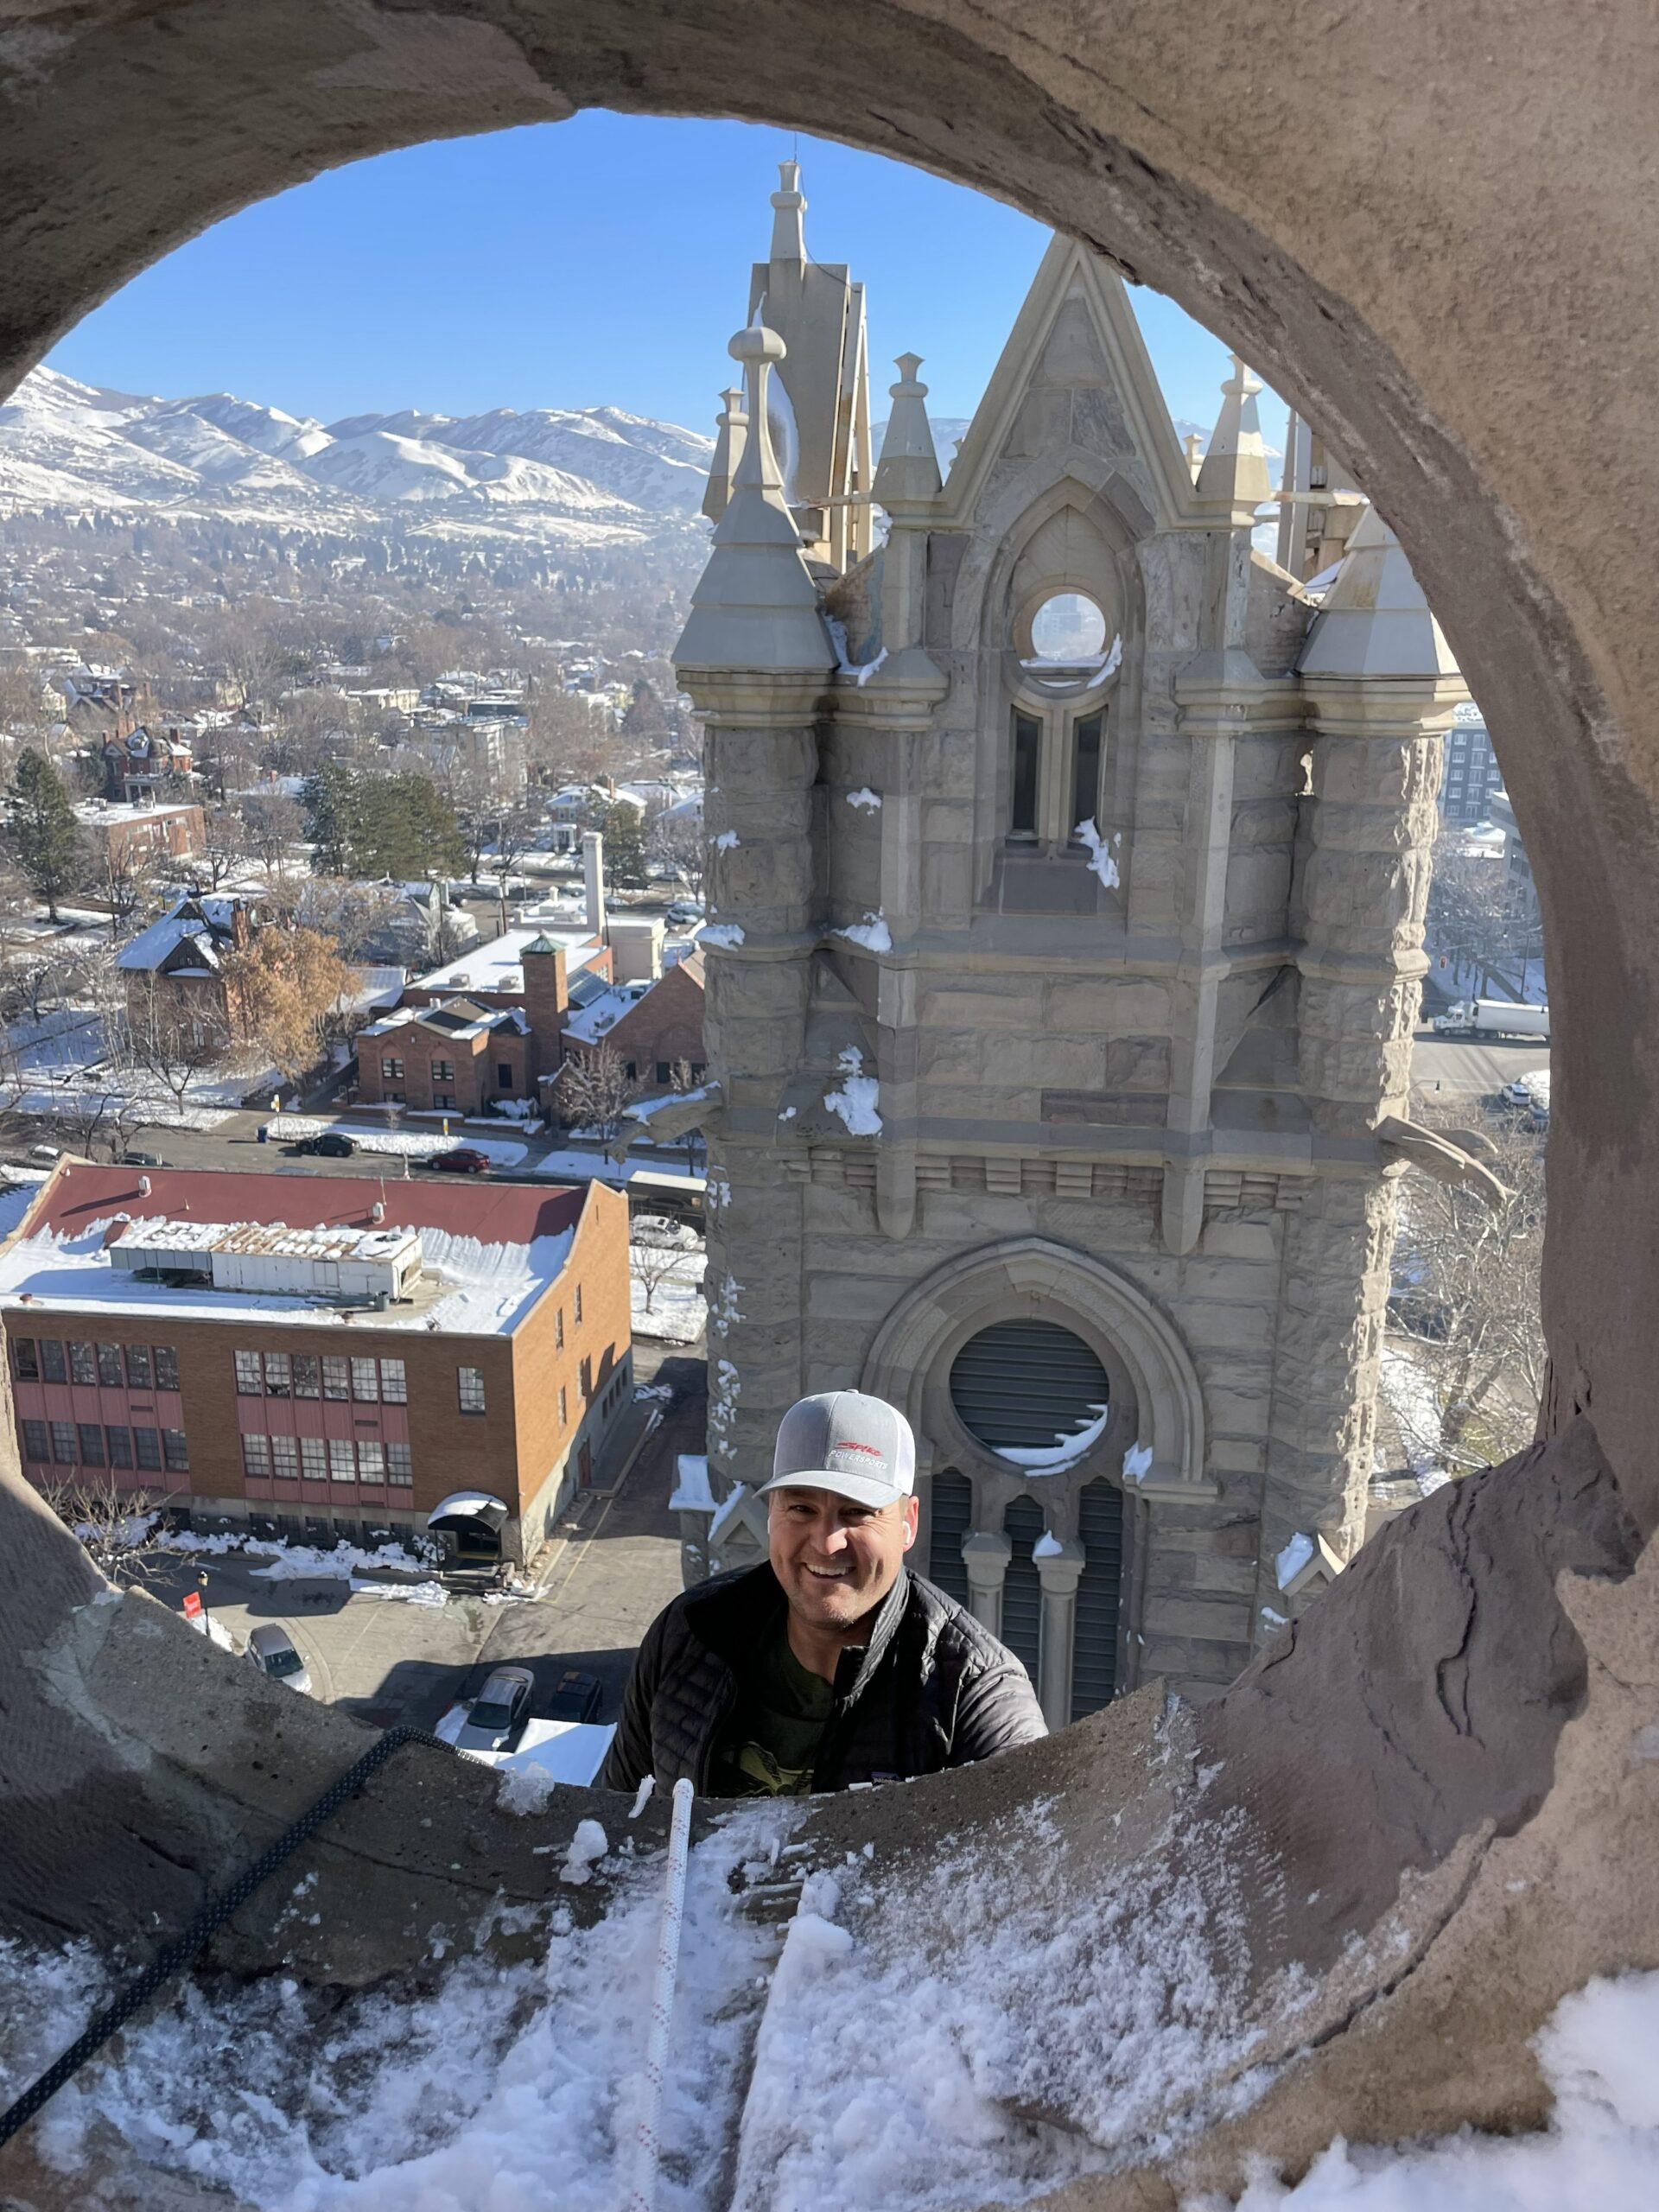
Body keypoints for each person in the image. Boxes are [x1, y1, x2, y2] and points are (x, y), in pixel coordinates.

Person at [598, 1389, 1047, 1796]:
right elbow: (611, 1823)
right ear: (772, 1512)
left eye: (856, 1513)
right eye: (801, 1507)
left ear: (909, 1522)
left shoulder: (972, 1689)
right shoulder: (691, 1632)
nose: (827, 1541)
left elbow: (1033, 1845)